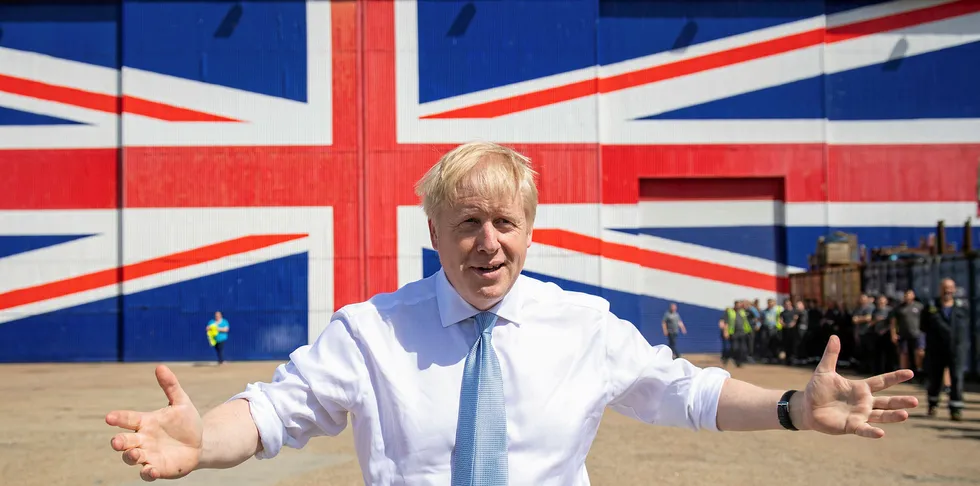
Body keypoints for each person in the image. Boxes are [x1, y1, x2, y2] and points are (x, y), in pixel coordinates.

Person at [106, 142, 918, 485]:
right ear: (434, 233)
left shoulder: (585, 327)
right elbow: (275, 411)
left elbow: (688, 394)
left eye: (504, 222)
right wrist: (201, 440)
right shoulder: (369, 332)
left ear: (530, 230)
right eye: (466, 222)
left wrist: (789, 408)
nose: (487, 242)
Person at [922, 278, 969, 421]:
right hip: (936, 349)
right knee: (935, 378)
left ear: (954, 290)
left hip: (957, 349)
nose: (947, 291)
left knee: (957, 378)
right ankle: (933, 404)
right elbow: (922, 326)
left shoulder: (962, 306)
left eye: (950, 288)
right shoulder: (931, 306)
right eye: (944, 288)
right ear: (940, 289)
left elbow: (966, 327)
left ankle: (956, 409)